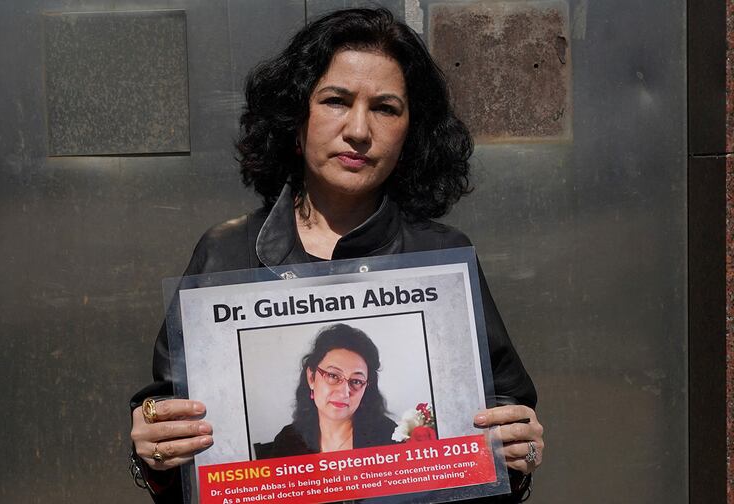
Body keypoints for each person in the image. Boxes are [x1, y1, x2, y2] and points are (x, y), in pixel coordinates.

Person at [129, 7, 544, 503]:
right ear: (295, 116)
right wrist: (156, 446)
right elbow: (174, 430)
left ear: (412, 128)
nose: (359, 130)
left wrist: (516, 451)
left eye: (386, 108)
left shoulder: (442, 256)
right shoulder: (225, 252)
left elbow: (502, 413)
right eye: (336, 101)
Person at [259, 323, 397, 459]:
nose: (344, 393)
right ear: (311, 377)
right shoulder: (287, 442)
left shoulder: (388, 437)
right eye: (333, 376)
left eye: (356, 381)